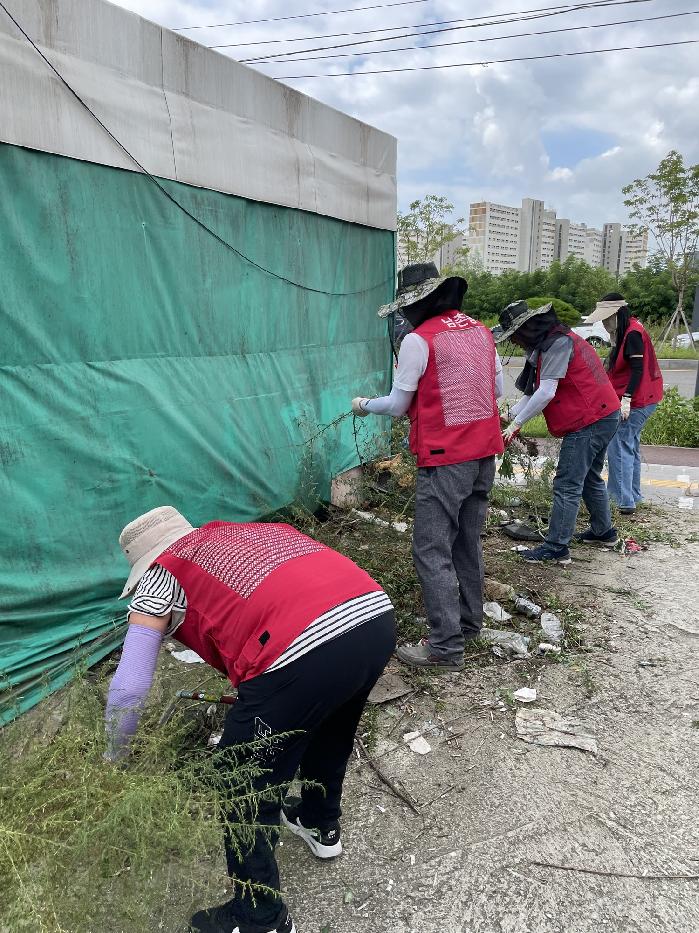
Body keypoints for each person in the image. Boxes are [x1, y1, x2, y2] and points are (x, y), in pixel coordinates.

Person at [105, 507, 395, 933]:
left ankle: (260, 917)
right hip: (372, 617)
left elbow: (129, 687)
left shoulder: (158, 578)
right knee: (332, 725)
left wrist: (114, 757)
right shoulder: (247, 533)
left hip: (302, 649)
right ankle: (318, 820)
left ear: (145, 561)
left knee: (239, 778)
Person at [351, 263, 504, 672]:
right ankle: (469, 623)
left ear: (418, 304)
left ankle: (444, 646)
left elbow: (398, 405)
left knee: (431, 548)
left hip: (445, 460)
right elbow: (498, 390)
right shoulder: (480, 331)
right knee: (466, 541)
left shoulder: (420, 341)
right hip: (483, 454)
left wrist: (364, 405)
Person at [495, 299, 621, 564]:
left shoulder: (557, 345)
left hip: (590, 420)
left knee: (567, 484)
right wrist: (507, 416)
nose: (515, 342)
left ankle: (556, 548)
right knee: (589, 478)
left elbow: (546, 393)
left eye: (515, 336)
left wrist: (517, 425)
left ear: (527, 329)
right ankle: (604, 532)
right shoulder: (551, 342)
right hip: (604, 413)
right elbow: (533, 394)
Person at [583, 293, 663, 515]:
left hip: (638, 399)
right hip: (642, 397)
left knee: (618, 445)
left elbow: (637, 370)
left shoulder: (633, 333)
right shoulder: (627, 330)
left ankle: (621, 500)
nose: (604, 323)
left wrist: (626, 399)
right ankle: (633, 495)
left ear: (617, 314)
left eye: (607, 318)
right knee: (630, 446)